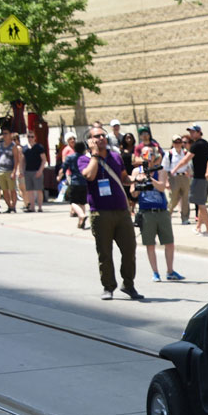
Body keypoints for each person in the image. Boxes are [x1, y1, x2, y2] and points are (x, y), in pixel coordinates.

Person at [79, 126, 142, 300]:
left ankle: (128, 284)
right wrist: (94, 154)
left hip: (121, 211)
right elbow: (89, 176)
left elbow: (123, 178)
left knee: (129, 249)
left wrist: (135, 179)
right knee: (105, 252)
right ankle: (108, 286)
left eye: (103, 135)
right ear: (89, 140)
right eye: (96, 136)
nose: (101, 138)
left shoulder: (115, 156)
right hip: (100, 212)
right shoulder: (84, 159)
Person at [130, 146, 184, 282]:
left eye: (150, 154)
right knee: (150, 244)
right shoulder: (137, 171)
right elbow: (133, 193)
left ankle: (170, 270)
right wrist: (138, 181)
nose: (148, 156)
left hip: (161, 210)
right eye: (144, 154)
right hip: (146, 211)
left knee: (169, 242)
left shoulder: (160, 169)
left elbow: (161, 186)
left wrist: (149, 178)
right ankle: (155, 272)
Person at [178, 124, 208, 236]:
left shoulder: (195, 145)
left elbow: (185, 159)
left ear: (199, 132)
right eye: (191, 132)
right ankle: (198, 227)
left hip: (199, 178)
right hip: (207, 177)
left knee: (201, 204)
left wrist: (174, 169)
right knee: (200, 203)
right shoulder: (207, 144)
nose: (192, 134)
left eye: (194, 132)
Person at [59, 134, 89, 228]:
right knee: (82, 202)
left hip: (75, 181)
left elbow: (64, 167)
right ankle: (81, 222)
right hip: (84, 182)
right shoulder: (86, 158)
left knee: (74, 202)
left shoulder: (70, 157)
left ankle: (81, 215)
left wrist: (60, 176)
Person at [163, 134, 192, 224]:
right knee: (174, 198)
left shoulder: (186, 153)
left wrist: (189, 172)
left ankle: (185, 218)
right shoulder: (169, 154)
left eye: (179, 142)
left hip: (184, 177)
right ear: (173, 143)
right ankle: (167, 215)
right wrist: (166, 182)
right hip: (174, 177)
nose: (178, 144)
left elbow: (189, 165)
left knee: (185, 198)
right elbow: (165, 168)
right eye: (176, 142)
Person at [21, 130, 47, 212]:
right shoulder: (24, 148)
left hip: (37, 171)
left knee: (39, 190)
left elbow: (44, 160)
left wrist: (40, 170)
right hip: (28, 171)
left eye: (32, 137)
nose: (30, 138)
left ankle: (40, 207)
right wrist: (22, 171)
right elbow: (23, 161)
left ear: (35, 138)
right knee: (29, 190)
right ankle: (32, 207)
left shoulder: (39, 147)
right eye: (29, 136)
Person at [0, 128, 19, 213]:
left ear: (10, 134)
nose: (4, 135)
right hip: (0, 170)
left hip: (10, 170)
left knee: (12, 189)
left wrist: (15, 171)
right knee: (4, 190)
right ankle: (9, 206)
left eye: (6, 133)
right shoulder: (0, 145)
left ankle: (13, 206)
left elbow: (16, 159)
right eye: (3, 133)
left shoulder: (13, 145)